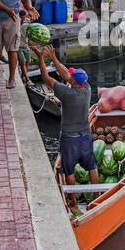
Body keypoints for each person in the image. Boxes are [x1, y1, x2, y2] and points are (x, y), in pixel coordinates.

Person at [29, 43, 99, 209]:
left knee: (68, 171)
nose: (69, 76)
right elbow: (67, 75)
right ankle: (97, 196)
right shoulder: (87, 89)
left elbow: (47, 78)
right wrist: (53, 58)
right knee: (92, 166)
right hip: (85, 136)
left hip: (69, 139)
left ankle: (73, 201)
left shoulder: (66, 93)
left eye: (72, 76)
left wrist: (41, 58)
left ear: (74, 81)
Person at [18, 10, 32, 85]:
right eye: (21, 18)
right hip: (18, 45)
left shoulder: (27, 21)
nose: (23, 19)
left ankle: (23, 75)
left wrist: (30, 40)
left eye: (24, 18)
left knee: (28, 60)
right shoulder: (16, 22)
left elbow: (29, 31)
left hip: (25, 44)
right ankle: (27, 79)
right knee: (22, 61)